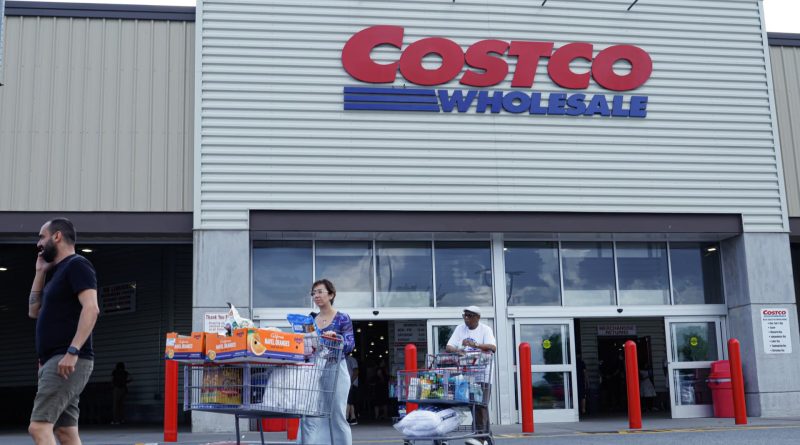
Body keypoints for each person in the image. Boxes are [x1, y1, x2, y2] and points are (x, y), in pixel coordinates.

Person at [27, 218, 99, 445]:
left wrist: (72, 351)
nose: (38, 243)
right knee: (65, 432)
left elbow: (91, 308)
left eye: (42, 237)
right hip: (55, 360)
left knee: (38, 427)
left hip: (66, 359)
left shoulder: (77, 265)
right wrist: (40, 272)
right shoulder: (56, 273)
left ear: (57, 236)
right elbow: (33, 311)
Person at [301, 279, 355, 445]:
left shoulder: (342, 318)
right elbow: (306, 347)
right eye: (313, 293)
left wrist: (336, 338)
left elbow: (350, 344)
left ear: (331, 295)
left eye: (320, 292)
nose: (316, 296)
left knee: (336, 413)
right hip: (315, 370)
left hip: (336, 368)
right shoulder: (310, 321)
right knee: (311, 413)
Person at [445, 306, 496, 445]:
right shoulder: (460, 329)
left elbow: (492, 347)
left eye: (470, 316)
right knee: (474, 405)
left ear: (477, 317)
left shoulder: (485, 329)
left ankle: (479, 438)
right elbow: (449, 347)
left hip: (483, 374)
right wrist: (458, 350)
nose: (466, 318)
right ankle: (486, 437)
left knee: (480, 404)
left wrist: (475, 345)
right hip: (467, 374)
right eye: (465, 316)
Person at [345, 353, 359, 425]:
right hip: (348, 383)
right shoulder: (345, 359)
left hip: (351, 384)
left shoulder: (351, 359)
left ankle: (347, 417)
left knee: (348, 401)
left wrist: (350, 382)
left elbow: (356, 371)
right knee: (350, 401)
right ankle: (353, 418)